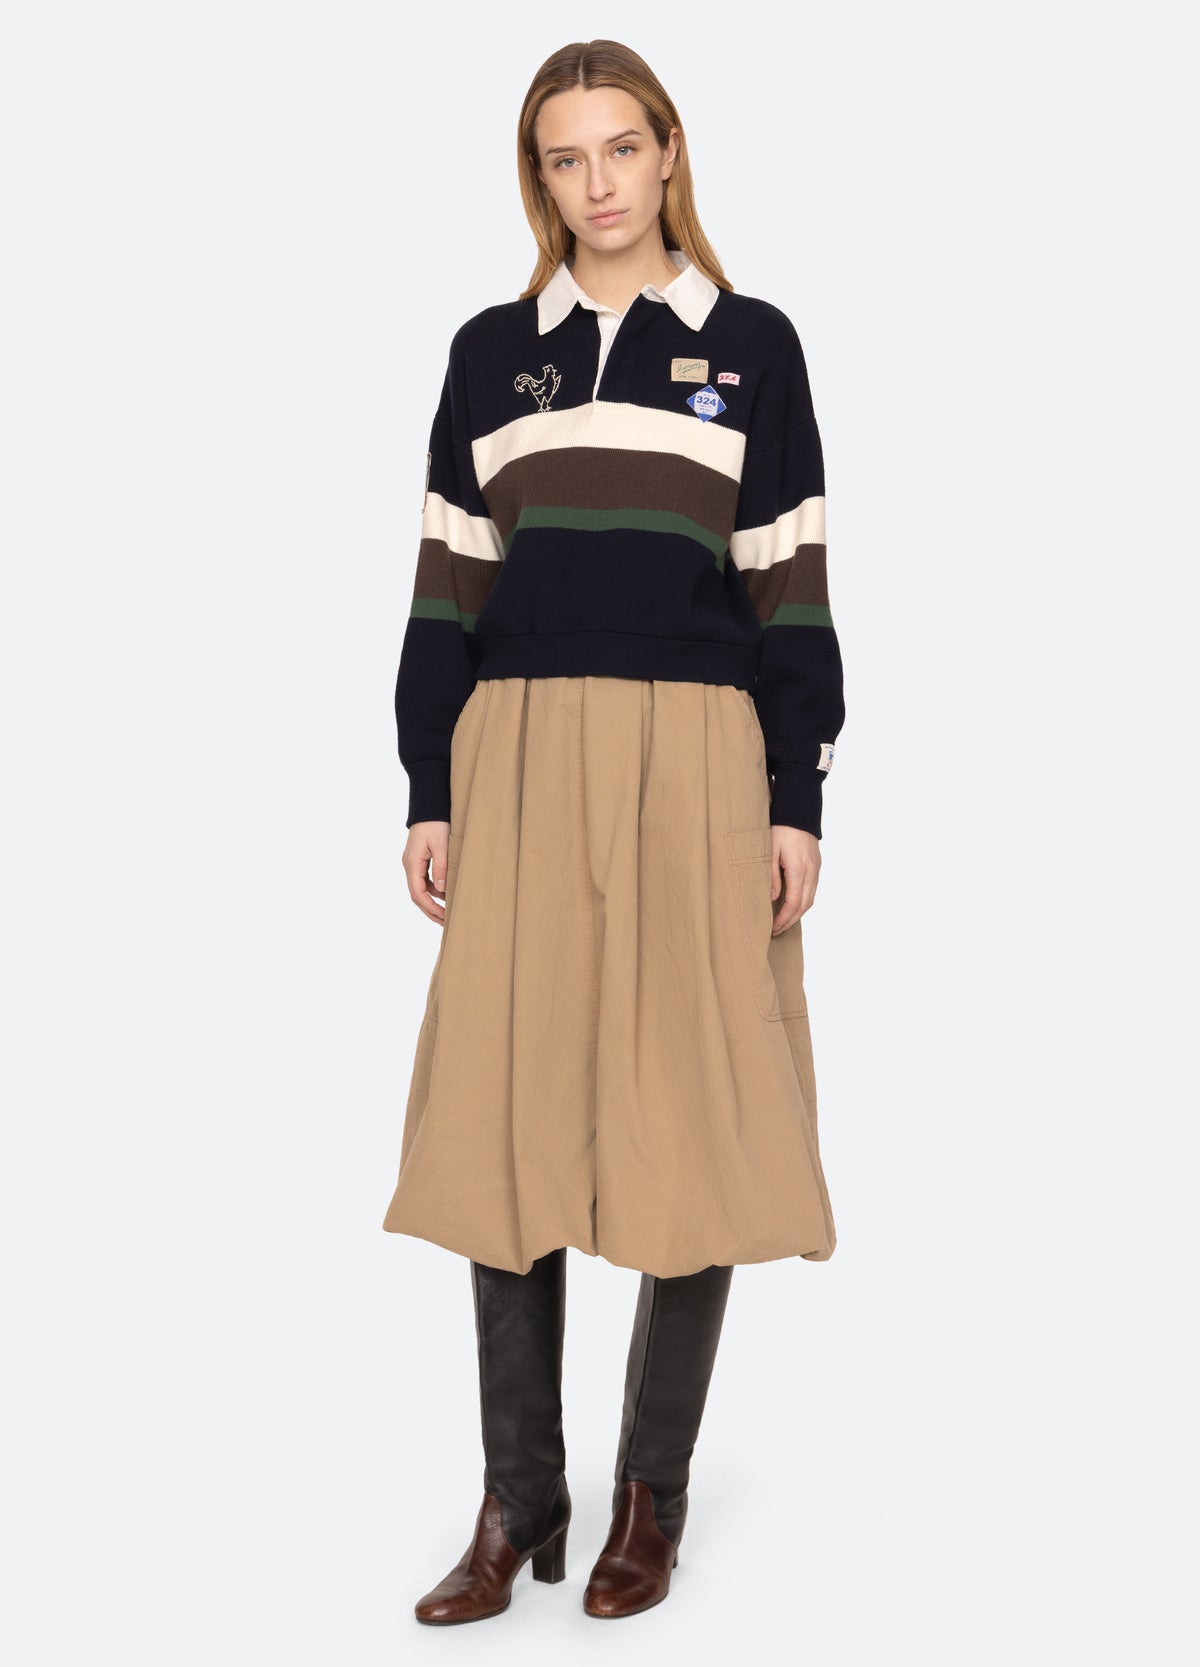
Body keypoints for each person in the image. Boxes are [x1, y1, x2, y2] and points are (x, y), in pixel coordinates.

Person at [381, 37, 846, 1624]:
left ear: (668, 152)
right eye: (565, 158)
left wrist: (795, 800)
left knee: (685, 1111)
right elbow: (447, 589)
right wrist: (430, 785)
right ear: (541, 176)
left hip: (697, 759)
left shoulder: (752, 347)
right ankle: (521, 1500)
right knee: (507, 1114)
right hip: (517, 756)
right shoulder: (489, 356)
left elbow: (791, 587)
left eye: (621, 149)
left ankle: (655, 1495)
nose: (598, 184)